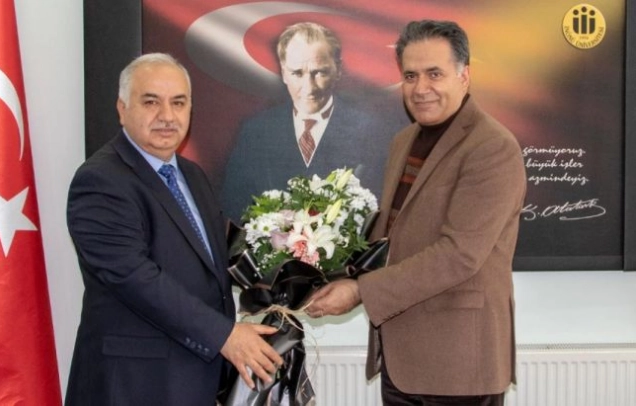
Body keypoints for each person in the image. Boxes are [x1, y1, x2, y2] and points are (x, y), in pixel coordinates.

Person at [306, 20, 526, 405]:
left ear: (464, 76)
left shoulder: (492, 147)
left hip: (460, 367)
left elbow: (459, 255)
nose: (420, 88)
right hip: (402, 358)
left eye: (434, 74)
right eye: (410, 76)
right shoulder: (404, 141)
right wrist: (316, 261)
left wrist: (360, 291)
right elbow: (391, 236)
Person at [65, 53, 283, 405]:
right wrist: (225, 336)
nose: (167, 116)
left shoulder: (192, 176)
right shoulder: (100, 180)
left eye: (178, 103)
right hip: (133, 385)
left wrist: (296, 270)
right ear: (122, 109)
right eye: (151, 102)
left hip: (195, 378)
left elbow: (216, 260)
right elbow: (135, 277)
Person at [220, 21, 406, 222]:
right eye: (297, 73)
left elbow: (381, 212)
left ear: (338, 70)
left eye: (319, 72)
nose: (309, 87)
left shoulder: (372, 132)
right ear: (283, 72)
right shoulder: (255, 132)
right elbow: (234, 209)